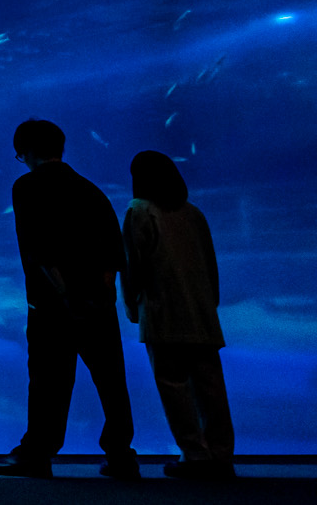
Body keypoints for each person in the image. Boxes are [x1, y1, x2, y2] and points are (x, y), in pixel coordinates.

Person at [0, 119, 138, 480]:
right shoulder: (90, 190)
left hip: (51, 308)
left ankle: (36, 453)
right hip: (98, 305)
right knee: (112, 380)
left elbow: (40, 248)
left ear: (26, 152)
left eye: (20, 154)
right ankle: (121, 455)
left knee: (48, 382)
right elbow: (112, 251)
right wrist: (101, 294)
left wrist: (66, 294)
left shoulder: (27, 186)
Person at [123, 150, 235, 480]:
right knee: (211, 387)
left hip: (163, 313)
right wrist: (209, 304)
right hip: (201, 313)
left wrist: (132, 306)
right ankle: (222, 455)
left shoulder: (139, 210)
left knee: (174, 385)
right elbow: (211, 267)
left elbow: (134, 266)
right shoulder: (194, 213)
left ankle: (196, 455)